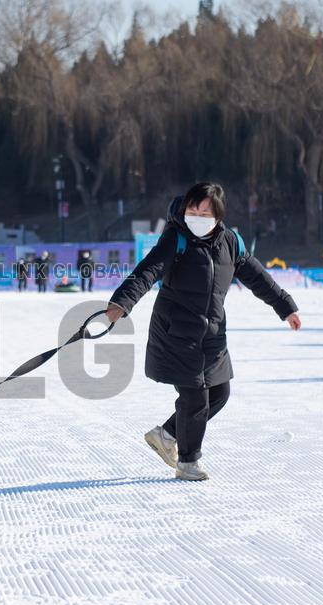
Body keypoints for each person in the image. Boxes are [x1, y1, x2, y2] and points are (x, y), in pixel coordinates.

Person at [105, 182, 301, 481]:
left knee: (220, 392)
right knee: (195, 397)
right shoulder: (176, 238)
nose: (196, 216)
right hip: (176, 333)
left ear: (218, 215)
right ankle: (188, 462)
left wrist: (285, 306)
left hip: (212, 335)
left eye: (204, 211)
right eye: (192, 209)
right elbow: (149, 269)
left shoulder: (231, 242)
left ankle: (167, 435)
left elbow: (257, 277)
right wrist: (122, 301)